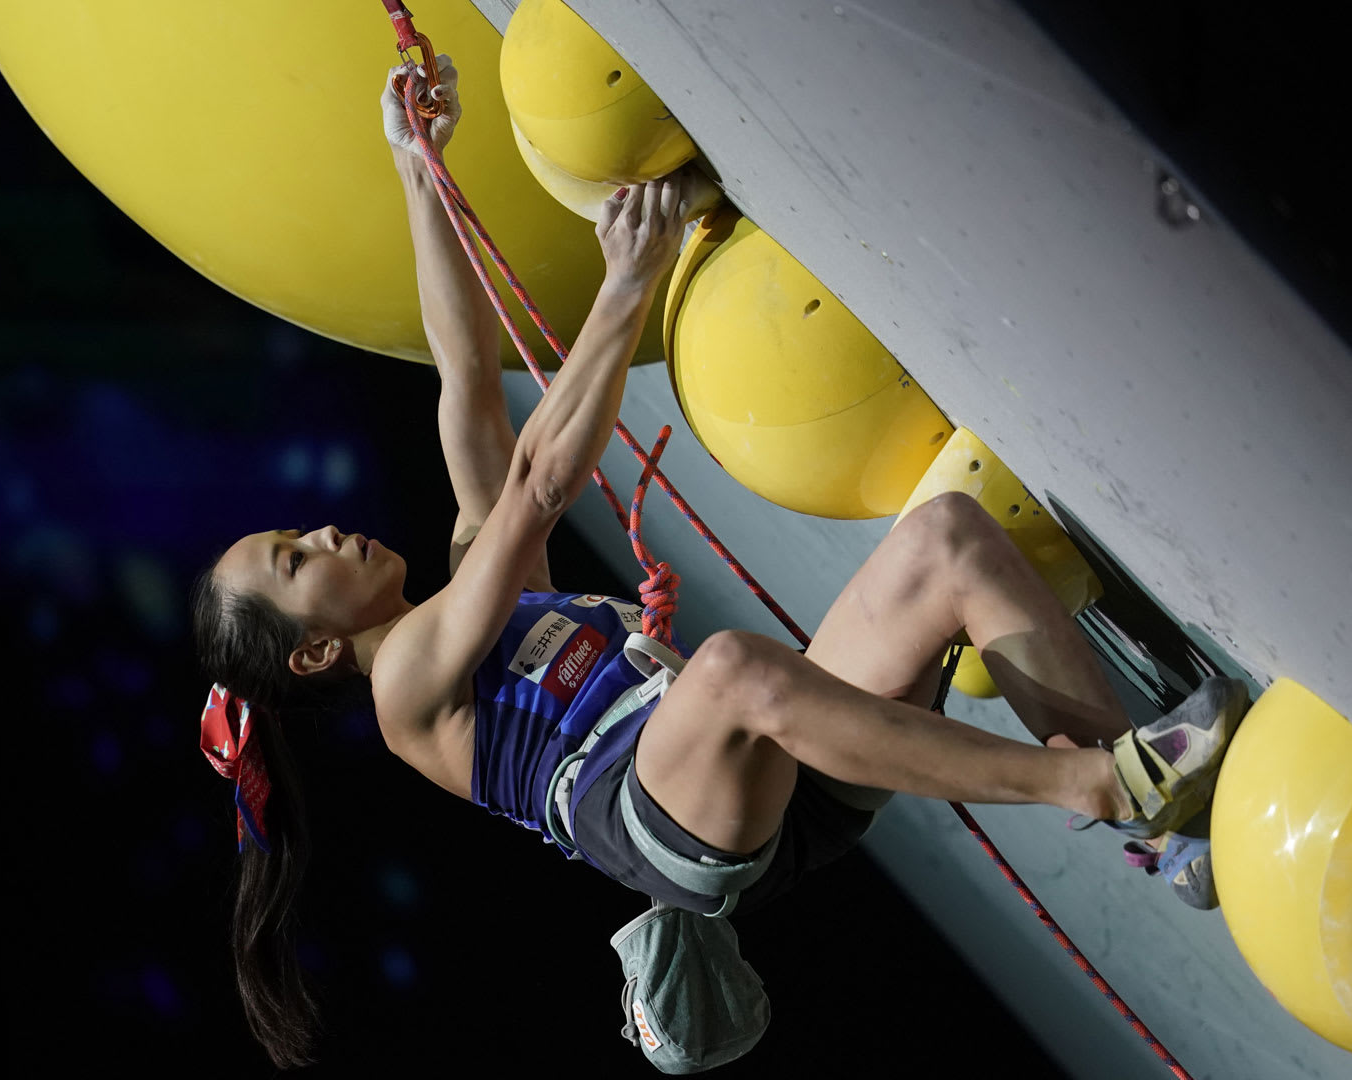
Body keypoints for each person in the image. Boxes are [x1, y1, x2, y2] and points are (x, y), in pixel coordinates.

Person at [190, 57, 1244, 1069]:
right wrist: (628, 281)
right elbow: (535, 488)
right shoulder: (409, 688)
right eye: (295, 558)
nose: (322, 533)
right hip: (684, 825)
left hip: (786, 758)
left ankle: (1169, 835)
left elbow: (464, 378)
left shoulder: (476, 589)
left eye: (297, 531)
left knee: (949, 539)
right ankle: (1093, 783)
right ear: (319, 649)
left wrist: (419, 168)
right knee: (730, 670)